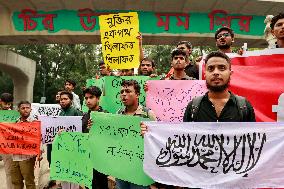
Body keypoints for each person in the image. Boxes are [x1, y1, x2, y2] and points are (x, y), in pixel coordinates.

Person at [183, 51, 255, 122]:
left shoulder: (244, 107)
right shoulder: (193, 107)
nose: (216, 72)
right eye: (211, 69)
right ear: (205, 74)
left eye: (222, 68)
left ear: (230, 73)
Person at [116, 80, 156, 189]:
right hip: (121, 166)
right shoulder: (118, 114)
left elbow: (156, 141)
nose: (124, 94)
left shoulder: (148, 114)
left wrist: (148, 134)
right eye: (122, 91)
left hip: (141, 168)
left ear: (137, 94)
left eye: (128, 91)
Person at [82, 86, 109, 189]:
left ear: (98, 98)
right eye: (86, 98)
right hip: (87, 160)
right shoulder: (84, 116)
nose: (88, 100)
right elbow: (80, 136)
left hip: (101, 161)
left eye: (91, 97)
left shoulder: (106, 116)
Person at [10, 101, 37, 189]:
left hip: (27, 157)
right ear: (18, 110)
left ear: (30, 109)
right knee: (16, 181)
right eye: (23, 108)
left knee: (29, 181)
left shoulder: (35, 122)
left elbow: (39, 138)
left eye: (27, 108)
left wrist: (39, 151)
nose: (25, 110)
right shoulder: (15, 122)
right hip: (14, 156)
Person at [0, 92, 14, 188]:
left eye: (9, 104)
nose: (7, 106)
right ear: (0, 102)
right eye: (6, 104)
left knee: (9, 171)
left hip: (8, 146)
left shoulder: (13, 114)